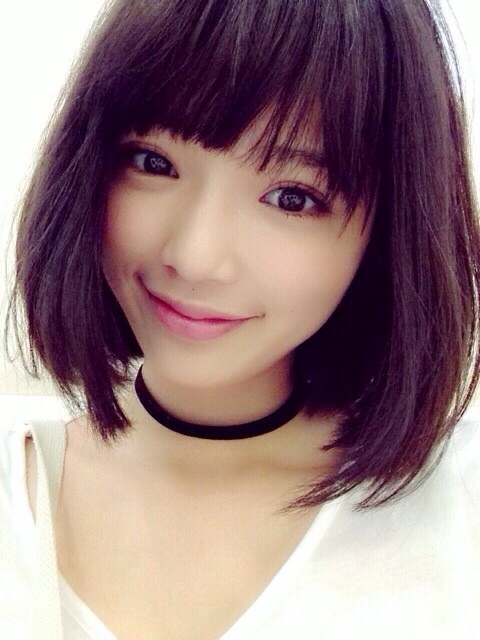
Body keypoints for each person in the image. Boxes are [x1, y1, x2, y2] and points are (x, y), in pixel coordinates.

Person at [1, 0, 479, 638]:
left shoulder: (458, 509)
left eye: (292, 198)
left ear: (387, 233)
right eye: (154, 162)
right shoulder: (17, 489)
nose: (195, 257)